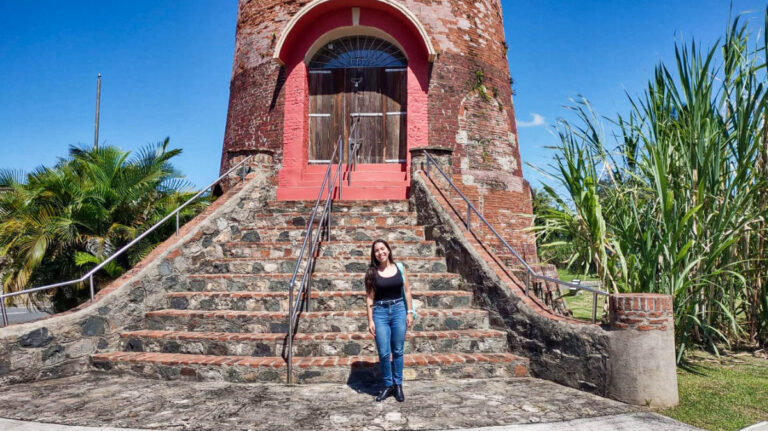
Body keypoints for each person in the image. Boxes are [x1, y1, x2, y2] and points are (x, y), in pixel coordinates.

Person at [364, 239, 414, 402]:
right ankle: (388, 385)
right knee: (384, 352)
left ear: (388, 250)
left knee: (398, 350)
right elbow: (370, 298)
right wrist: (370, 320)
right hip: (380, 312)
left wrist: (410, 312)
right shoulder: (372, 272)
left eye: (382, 249)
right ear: (374, 254)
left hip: (399, 310)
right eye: (377, 250)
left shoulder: (400, 268)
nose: (380, 252)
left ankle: (398, 385)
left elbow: (407, 291)